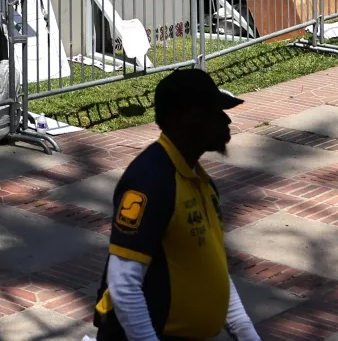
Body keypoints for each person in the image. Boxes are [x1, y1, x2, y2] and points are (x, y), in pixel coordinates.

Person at [93, 68, 260, 341]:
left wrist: (245, 333)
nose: (226, 120)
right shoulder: (149, 181)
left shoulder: (200, 182)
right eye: (214, 112)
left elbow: (210, 267)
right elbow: (124, 284)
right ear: (184, 119)